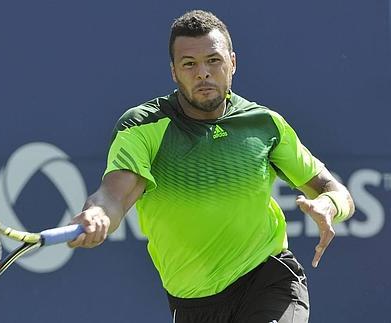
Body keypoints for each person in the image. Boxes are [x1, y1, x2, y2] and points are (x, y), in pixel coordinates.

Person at [68, 9, 355, 323]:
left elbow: (334, 190)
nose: (202, 73)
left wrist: (330, 206)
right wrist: (97, 213)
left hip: (268, 279)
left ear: (232, 62)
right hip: (192, 304)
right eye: (189, 64)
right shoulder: (143, 126)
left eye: (213, 61)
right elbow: (115, 195)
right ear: (174, 72)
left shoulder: (265, 124)